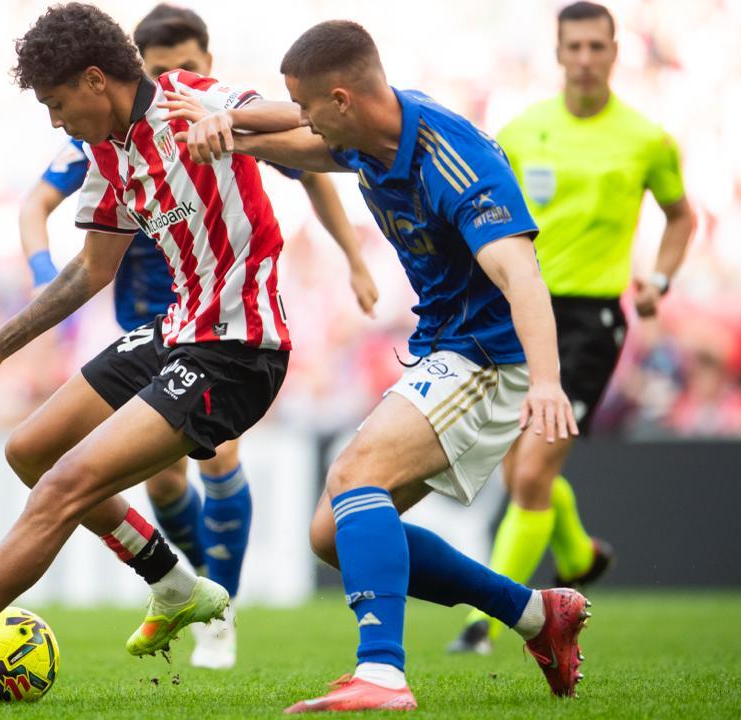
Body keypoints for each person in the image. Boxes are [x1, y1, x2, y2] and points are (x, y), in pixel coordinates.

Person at [0, 4, 299, 708]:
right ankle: (174, 583)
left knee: (65, 486)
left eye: (57, 103)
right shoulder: (108, 151)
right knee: (30, 451)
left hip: (239, 349)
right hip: (177, 330)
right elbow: (91, 269)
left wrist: (232, 121)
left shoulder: (188, 96)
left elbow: (303, 115)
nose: (55, 120)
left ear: (96, 80)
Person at [173, 20, 591, 711]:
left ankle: (382, 672)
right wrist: (231, 131)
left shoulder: (453, 159)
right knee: (332, 534)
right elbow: (303, 138)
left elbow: (521, 275)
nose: (302, 117)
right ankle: (535, 615)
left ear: (342, 100)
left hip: (489, 356)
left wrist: (546, 381)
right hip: (445, 347)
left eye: (308, 105)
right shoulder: (370, 134)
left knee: (354, 476)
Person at [17, 2, 378, 669]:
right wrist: (42, 275)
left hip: (222, 321)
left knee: (219, 454)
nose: (170, 81)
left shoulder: (211, 111)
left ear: (205, 65)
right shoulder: (101, 140)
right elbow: (39, 206)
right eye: (159, 70)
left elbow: (310, 161)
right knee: (162, 485)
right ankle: (186, 584)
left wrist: (354, 259)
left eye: (184, 68)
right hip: (149, 320)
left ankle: (222, 613)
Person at [450, 1, 694, 653]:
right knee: (518, 473)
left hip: (591, 322)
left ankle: (481, 623)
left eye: (596, 46)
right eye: (574, 47)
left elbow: (681, 217)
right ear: (558, 53)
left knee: (531, 475)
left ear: (615, 51)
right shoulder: (522, 131)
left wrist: (660, 279)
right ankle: (579, 554)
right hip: (518, 312)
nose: (585, 58)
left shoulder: (646, 139)